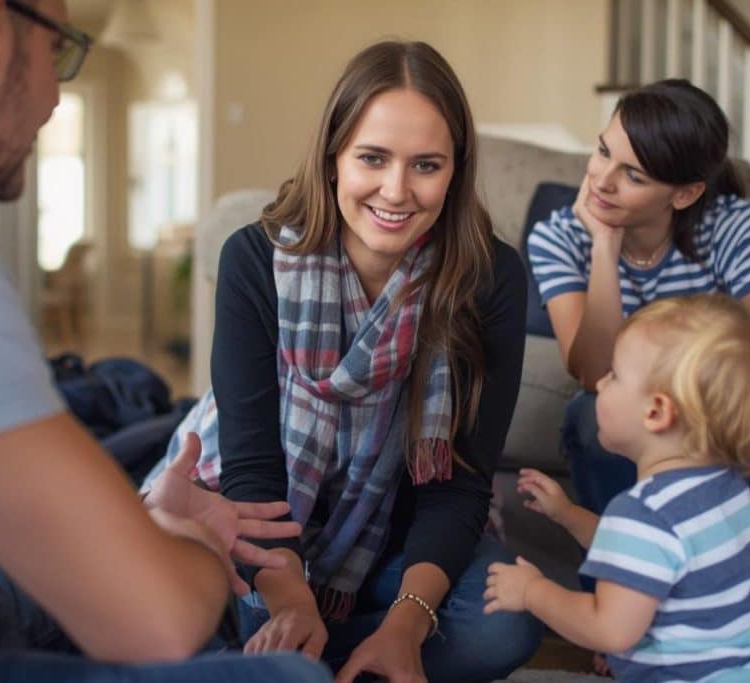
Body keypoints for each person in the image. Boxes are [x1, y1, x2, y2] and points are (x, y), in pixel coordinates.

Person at [0, 1, 331, 681]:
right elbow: (160, 620)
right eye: (58, 52)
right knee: (286, 678)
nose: (58, 97)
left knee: (12, 571)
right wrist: (193, 545)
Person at [142, 40, 539, 683]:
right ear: (334, 159)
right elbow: (252, 468)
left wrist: (408, 626)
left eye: (426, 166)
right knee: (186, 601)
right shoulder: (255, 261)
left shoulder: (489, 278)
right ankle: (309, 649)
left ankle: (316, 657)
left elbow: (461, 482)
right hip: (262, 534)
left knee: (502, 626)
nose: (396, 190)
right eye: (373, 158)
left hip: (394, 552)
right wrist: (293, 601)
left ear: (455, 171)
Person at [527, 78, 750, 536]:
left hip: (716, 405)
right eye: (602, 152)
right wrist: (603, 248)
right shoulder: (557, 237)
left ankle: (676, 551)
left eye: (633, 176)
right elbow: (594, 374)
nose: (602, 180)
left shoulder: (732, 224)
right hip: (637, 409)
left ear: (684, 194)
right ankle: (682, 555)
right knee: (589, 416)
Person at [485, 293, 750, 682]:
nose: (600, 382)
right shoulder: (730, 491)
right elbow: (645, 556)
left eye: (614, 374)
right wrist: (568, 514)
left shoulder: (644, 512)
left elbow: (609, 630)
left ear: (656, 412)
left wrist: (533, 592)